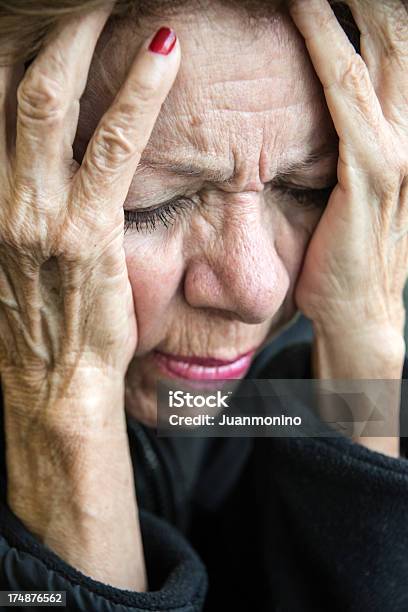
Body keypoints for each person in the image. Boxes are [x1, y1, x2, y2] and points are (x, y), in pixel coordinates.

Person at [0, 0, 407, 609]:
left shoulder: (275, 386)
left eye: (306, 189)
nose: (256, 290)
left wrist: (364, 349)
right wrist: (65, 413)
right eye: (150, 205)